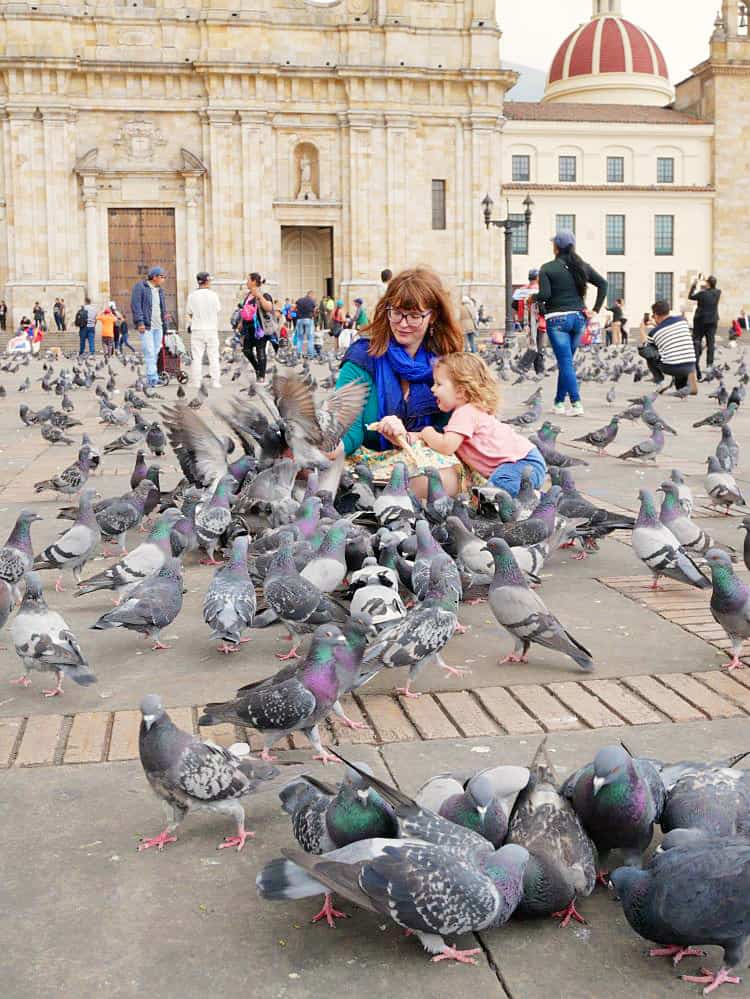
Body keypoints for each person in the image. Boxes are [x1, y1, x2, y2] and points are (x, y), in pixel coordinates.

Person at [333, 266, 466, 498]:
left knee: (442, 479)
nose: (403, 323)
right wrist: (329, 446)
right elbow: (349, 430)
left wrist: (411, 437)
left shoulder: (448, 364)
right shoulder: (362, 358)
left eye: (414, 316)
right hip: (368, 463)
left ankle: (383, 504)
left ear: (432, 316)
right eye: (396, 313)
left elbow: (453, 428)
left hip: (421, 462)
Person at [411, 352, 547, 498]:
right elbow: (448, 439)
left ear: (460, 392)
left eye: (438, 384)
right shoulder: (469, 411)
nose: (433, 389)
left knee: (497, 488)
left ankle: (536, 498)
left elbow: (446, 445)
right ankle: (528, 496)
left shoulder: (465, 413)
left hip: (522, 463)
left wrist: (426, 432)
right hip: (525, 463)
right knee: (492, 491)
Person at [537, 230, 607, 417]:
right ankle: (559, 403)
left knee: (565, 362)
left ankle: (576, 403)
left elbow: (544, 296)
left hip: (557, 320)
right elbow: (603, 284)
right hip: (578, 319)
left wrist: (532, 297)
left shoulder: (547, 268)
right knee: (566, 362)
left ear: (556, 247)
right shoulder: (582, 266)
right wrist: (596, 309)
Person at [639, 300, 697, 392]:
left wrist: (642, 329)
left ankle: (662, 380)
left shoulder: (654, 332)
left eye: (653, 316)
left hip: (672, 367)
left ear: (656, 315)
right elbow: (668, 329)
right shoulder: (682, 321)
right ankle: (686, 386)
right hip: (690, 365)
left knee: (645, 351)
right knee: (677, 350)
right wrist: (655, 324)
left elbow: (645, 346)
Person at [131, 266, 168, 386]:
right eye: (162, 277)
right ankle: (152, 378)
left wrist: (165, 324)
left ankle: (153, 375)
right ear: (154, 276)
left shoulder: (159, 290)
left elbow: (163, 308)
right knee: (149, 351)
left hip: (158, 326)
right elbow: (136, 305)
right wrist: (140, 322)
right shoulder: (140, 287)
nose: (164, 279)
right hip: (146, 326)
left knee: (156, 351)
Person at [185, 271, 222, 390]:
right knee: (214, 357)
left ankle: (196, 382)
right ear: (206, 281)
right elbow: (218, 309)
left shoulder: (192, 296)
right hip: (211, 329)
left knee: (197, 357)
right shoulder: (214, 295)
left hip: (197, 329)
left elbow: (189, 313)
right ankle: (216, 382)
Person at [241, 272, 274, 380]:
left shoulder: (264, 293)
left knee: (260, 351)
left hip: (260, 327)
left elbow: (269, 308)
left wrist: (259, 296)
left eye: (248, 280)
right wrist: (241, 323)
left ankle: (261, 376)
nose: (247, 283)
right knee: (246, 350)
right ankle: (257, 368)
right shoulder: (248, 295)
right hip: (248, 326)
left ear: (254, 281)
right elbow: (245, 310)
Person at [689, 274, 721, 379]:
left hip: (700, 322)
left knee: (697, 342)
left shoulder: (702, 294)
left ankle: (695, 365)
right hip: (712, 321)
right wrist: (706, 283)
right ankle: (709, 366)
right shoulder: (717, 293)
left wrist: (695, 284)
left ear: (708, 283)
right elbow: (713, 288)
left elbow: (691, 296)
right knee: (710, 344)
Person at [295, 289, 316, 359]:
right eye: (313, 296)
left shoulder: (299, 300)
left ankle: (298, 353)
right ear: (311, 294)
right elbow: (315, 310)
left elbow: (294, 308)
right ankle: (310, 354)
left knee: (299, 338)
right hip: (308, 319)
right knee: (310, 338)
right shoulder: (311, 301)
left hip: (299, 320)